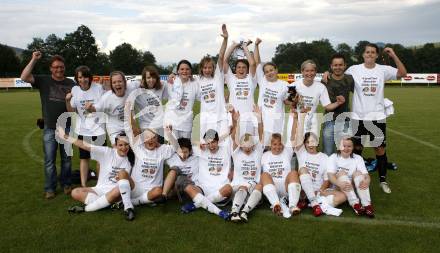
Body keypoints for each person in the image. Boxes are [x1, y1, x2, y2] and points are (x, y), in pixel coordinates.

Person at [345, 44, 407, 194]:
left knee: (379, 149)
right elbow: (339, 76)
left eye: (373, 52)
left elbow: (403, 73)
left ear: (377, 55)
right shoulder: (354, 69)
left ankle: (383, 181)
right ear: (363, 55)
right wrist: (327, 73)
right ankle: (355, 179)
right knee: (357, 149)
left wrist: (393, 55)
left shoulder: (383, 69)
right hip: (358, 117)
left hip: (377, 117)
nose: (370, 54)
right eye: (368, 52)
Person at [20, 51, 76, 199]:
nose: (59, 69)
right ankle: (50, 188)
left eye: (61, 67)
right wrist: (33, 59)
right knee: (50, 160)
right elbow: (24, 77)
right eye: (56, 67)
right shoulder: (44, 80)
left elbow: (76, 107)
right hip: (50, 128)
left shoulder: (71, 84)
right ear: (51, 68)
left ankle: (66, 184)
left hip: (67, 127)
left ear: (65, 68)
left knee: (67, 160)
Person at [57, 129, 136, 221]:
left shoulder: (132, 158)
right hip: (100, 189)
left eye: (126, 144)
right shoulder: (107, 152)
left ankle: (88, 208)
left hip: (118, 191)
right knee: (75, 192)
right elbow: (85, 145)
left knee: (120, 180)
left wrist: (124, 177)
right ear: (115, 145)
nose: (124, 148)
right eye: (120, 145)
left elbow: (132, 184)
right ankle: (108, 204)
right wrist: (65, 136)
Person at [66, 65, 106, 187]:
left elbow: (103, 108)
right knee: (84, 158)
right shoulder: (75, 90)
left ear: (89, 77)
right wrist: (67, 101)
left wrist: (92, 109)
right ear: (77, 79)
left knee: (101, 159)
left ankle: (101, 184)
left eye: (85, 77)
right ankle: (84, 185)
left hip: (98, 130)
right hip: (83, 131)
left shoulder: (98, 88)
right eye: (80, 77)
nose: (83, 80)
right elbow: (71, 111)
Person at [287, 59, 345, 143]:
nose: (309, 73)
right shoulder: (294, 86)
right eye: (307, 71)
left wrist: (338, 103)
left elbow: (327, 106)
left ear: (315, 72)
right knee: (293, 144)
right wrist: (295, 102)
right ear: (302, 72)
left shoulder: (320, 87)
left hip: (311, 120)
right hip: (295, 119)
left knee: (311, 145)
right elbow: (287, 102)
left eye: (312, 71)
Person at [180, 129, 232, 220]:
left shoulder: (226, 150)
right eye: (208, 143)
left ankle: (196, 204)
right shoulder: (201, 150)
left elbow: (236, 140)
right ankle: (220, 212)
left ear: (218, 141)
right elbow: (184, 143)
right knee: (188, 187)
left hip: (220, 188)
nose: (211, 146)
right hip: (202, 188)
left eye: (213, 142)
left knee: (229, 189)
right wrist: (198, 143)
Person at [229, 106, 264, 222]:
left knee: (260, 185)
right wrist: (237, 122)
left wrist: (259, 119)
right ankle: (234, 212)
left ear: (254, 145)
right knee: (243, 187)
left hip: (253, 189)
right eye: (244, 143)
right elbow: (234, 138)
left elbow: (261, 134)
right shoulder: (236, 153)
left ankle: (244, 212)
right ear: (240, 144)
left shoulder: (257, 152)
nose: (247, 146)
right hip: (238, 188)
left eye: (250, 144)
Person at [85, 71, 139, 145]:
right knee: (119, 152)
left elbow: (143, 82)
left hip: (130, 126)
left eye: (120, 81)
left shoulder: (132, 87)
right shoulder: (106, 98)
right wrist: (89, 108)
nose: (117, 84)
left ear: (124, 82)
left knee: (136, 152)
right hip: (115, 129)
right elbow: (94, 109)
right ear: (111, 85)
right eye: (114, 82)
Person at [254, 38, 290, 146]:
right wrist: (256, 45)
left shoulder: (286, 84)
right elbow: (257, 63)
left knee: (275, 149)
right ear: (264, 74)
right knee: (260, 149)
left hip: (277, 123)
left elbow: (289, 101)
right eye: (266, 71)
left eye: (271, 70)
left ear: (276, 70)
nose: (269, 73)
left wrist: (295, 100)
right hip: (262, 122)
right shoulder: (263, 81)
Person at [327, 137, 375, 218]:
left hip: (353, 188)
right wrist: (340, 184)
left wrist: (368, 180)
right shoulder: (333, 157)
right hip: (338, 187)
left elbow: (366, 175)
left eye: (349, 146)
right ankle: (355, 204)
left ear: (353, 147)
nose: (346, 148)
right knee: (341, 172)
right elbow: (330, 176)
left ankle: (367, 205)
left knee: (358, 173)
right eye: (344, 146)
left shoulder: (358, 158)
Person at [198, 24, 230, 142]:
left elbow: (221, 56)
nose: (207, 70)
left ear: (213, 68)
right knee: (208, 144)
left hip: (221, 117)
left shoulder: (218, 77)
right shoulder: (198, 81)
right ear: (201, 69)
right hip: (206, 119)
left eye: (209, 67)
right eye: (205, 68)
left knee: (223, 145)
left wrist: (225, 39)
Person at [224, 37, 257, 138]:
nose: (241, 69)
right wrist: (233, 45)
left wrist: (244, 47)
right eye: (238, 67)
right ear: (235, 68)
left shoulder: (251, 79)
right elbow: (224, 61)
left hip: (249, 118)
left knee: (248, 144)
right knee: (233, 144)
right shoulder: (231, 78)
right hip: (232, 117)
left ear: (247, 70)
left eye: (244, 67)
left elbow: (253, 63)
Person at [321, 54, 355, 156]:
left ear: (345, 66)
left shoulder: (350, 79)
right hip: (329, 119)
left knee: (345, 151)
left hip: (345, 120)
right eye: (335, 65)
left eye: (340, 65)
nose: (338, 67)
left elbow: (360, 95)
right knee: (328, 151)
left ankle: (343, 170)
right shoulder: (325, 80)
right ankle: (327, 171)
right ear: (331, 66)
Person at [132, 65, 168, 143]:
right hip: (146, 127)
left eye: (153, 77)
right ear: (144, 78)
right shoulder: (137, 90)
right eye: (148, 78)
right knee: (148, 152)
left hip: (160, 127)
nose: (151, 80)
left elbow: (173, 83)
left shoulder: (162, 86)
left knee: (160, 151)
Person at [164, 60, 199, 139]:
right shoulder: (171, 82)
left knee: (185, 149)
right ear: (178, 71)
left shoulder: (195, 84)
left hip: (186, 124)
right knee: (173, 149)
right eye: (182, 69)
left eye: (187, 69)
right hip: (172, 122)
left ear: (190, 71)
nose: (184, 71)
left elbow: (204, 97)